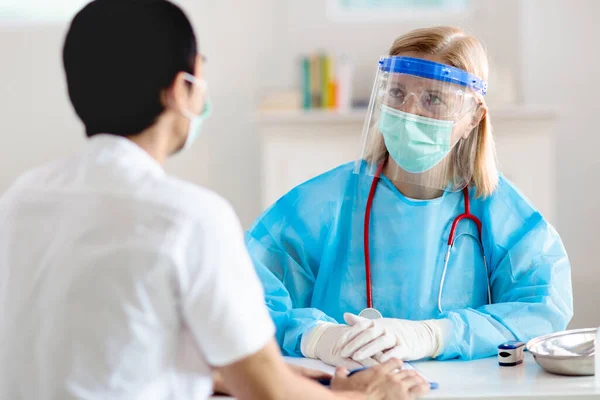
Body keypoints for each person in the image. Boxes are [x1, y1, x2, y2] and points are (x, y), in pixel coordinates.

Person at [0, 1, 430, 399]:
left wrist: (212, 375)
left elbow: (101, 347)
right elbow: (268, 389)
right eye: (201, 71)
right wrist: (363, 394)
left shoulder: (22, 198)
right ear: (178, 89)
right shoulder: (188, 217)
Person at [246, 26, 573, 368]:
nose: (409, 113)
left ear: (473, 117)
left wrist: (435, 335)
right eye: (398, 94)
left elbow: (542, 307)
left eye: (434, 99)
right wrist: (315, 337)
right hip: (344, 381)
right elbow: (246, 291)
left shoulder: (498, 209)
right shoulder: (326, 201)